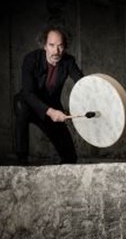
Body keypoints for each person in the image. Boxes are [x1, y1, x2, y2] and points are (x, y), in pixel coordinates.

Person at [13, 25, 84, 164]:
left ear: (65, 47)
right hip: (31, 105)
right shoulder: (31, 59)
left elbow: (82, 83)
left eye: (60, 46)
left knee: (70, 158)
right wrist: (51, 112)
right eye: (51, 45)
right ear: (44, 45)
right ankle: (21, 162)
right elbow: (28, 93)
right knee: (20, 104)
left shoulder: (68, 61)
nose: (56, 51)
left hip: (52, 107)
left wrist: (97, 97)